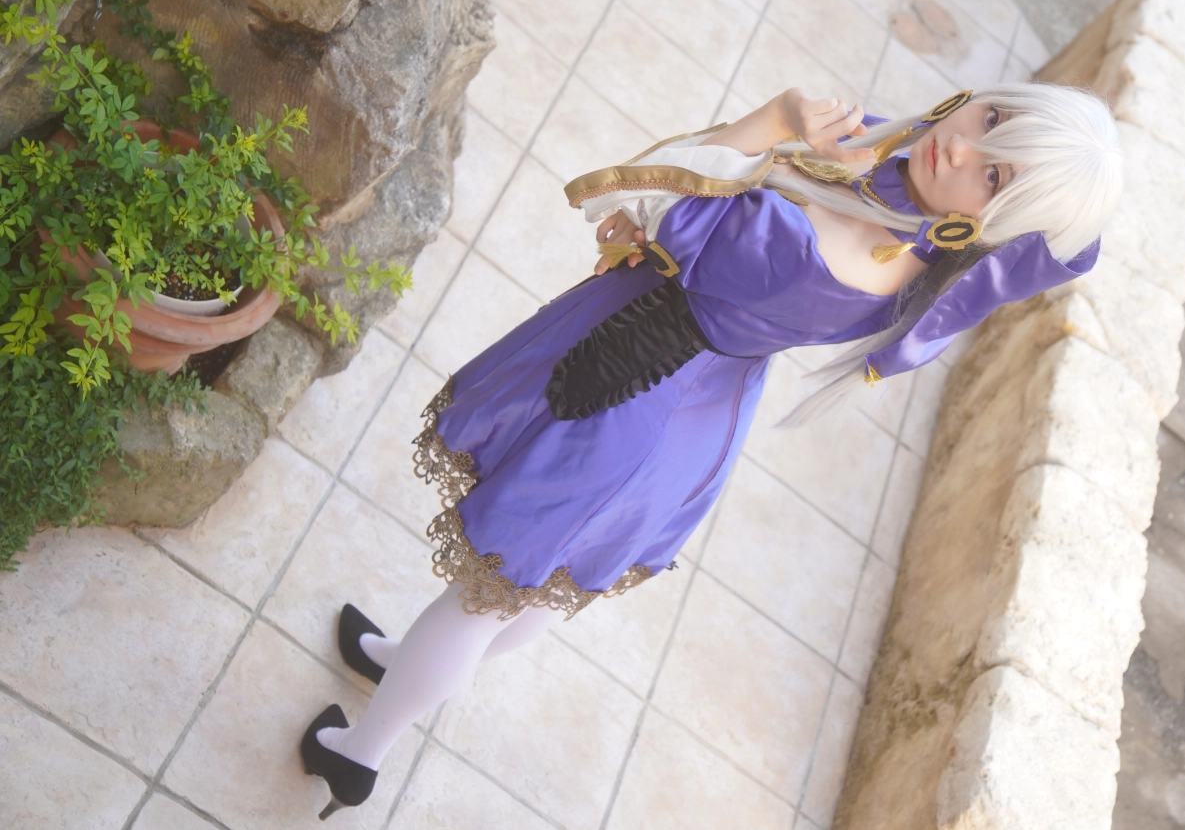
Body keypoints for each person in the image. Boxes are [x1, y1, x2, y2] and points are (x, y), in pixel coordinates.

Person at [298, 82, 1124, 818]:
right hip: (692, 408)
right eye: (994, 119)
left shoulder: (845, 239)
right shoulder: (903, 210)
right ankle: (404, 666)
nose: (965, 148)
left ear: (994, 224)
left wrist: (777, 116)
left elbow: (665, 183)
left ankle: (359, 755)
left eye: (995, 176)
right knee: (536, 587)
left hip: (629, 398)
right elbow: (673, 220)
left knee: (486, 599)